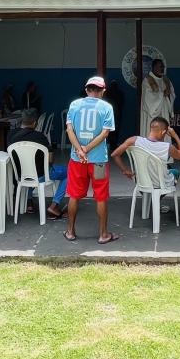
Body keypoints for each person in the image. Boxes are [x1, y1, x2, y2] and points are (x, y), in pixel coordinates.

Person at [64, 75, 117, 244]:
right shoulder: (107, 107)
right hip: (99, 160)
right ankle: (103, 235)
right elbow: (105, 133)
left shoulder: (74, 105)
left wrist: (80, 150)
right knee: (101, 197)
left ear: (87, 90)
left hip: (77, 159)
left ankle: (70, 232)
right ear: (103, 91)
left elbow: (69, 130)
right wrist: (87, 149)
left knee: (74, 195)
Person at [8, 109, 69, 216]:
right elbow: (50, 159)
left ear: (21, 121)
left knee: (29, 169)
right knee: (69, 172)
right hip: (40, 175)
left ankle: (29, 202)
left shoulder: (10, 135)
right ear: (35, 123)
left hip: (20, 175)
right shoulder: (40, 137)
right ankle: (54, 205)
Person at [111, 116, 180, 187]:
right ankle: (156, 197)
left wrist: (125, 170)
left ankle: (152, 198)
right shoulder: (168, 147)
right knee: (175, 172)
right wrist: (175, 135)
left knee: (167, 167)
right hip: (160, 184)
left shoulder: (134, 140)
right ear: (163, 132)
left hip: (140, 182)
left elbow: (114, 155)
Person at [140, 58, 175, 133]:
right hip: (152, 113)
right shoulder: (147, 80)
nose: (162, 69)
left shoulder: (166, 80)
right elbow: (147, 98)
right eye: (160, 67)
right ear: (154, 68)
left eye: (163, 67)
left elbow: (172, 94)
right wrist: (162, 94)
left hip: (164, 110)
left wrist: (168, 95)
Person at [104, 79, 125, 152]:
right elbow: (122, 103)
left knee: (110, 131)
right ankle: (113, 145)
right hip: (117, 114)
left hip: (110, 114)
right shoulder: (120, 93)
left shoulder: (107, 93)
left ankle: (112, 144)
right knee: (115, 131)